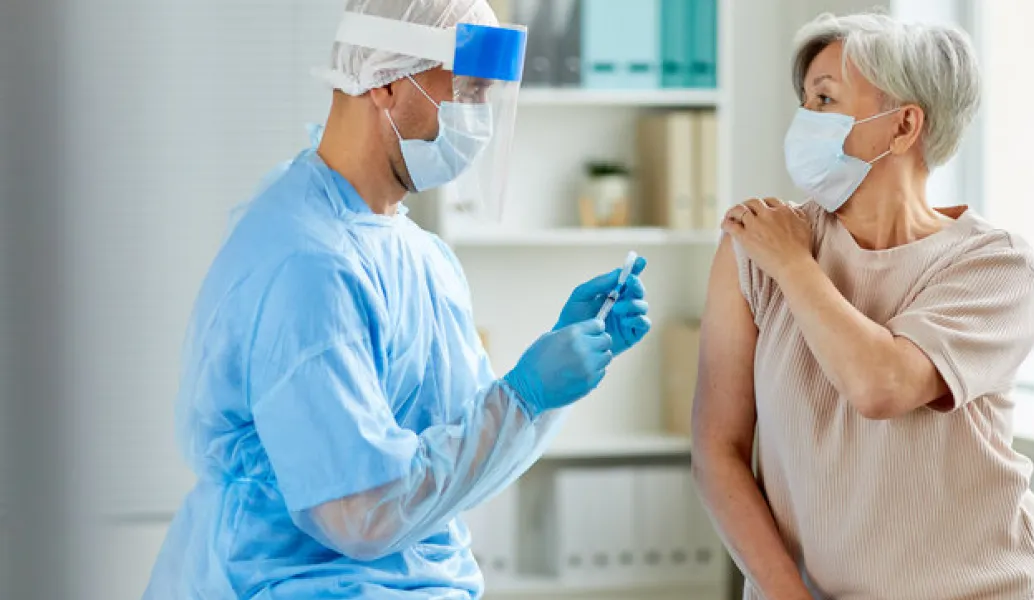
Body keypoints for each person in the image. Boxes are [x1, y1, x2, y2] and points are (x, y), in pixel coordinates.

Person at [142, 1, 652, 597]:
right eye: (465, 90)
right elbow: (363, 513)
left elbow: (459, 462)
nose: (478, 118)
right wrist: (526, 393)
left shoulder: (420, 256)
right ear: (385, 79)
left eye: (487, 95)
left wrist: (548, 383)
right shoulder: (307, 264)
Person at [691, 12, 1034, 600]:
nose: (804, 120)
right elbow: (718, 451)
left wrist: (796, 265)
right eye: (805, 100)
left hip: (989, 588)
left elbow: (880, 386)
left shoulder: (993, 266)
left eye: (824, 99)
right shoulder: (752, 249)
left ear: (903, 126)